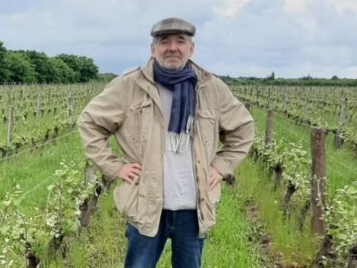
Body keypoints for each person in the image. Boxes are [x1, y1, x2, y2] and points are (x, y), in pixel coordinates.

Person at [77, 17, 254, 268]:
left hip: (193, 209)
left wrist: (220, 166)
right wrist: (115, 167)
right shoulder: (130, 85)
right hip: (146, 204)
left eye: (180, 41)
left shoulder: (210, 87)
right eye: (164, 41)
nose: (172, 47)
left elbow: (244, 128)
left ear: (191, 49)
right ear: (153, 49)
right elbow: (89, 122)